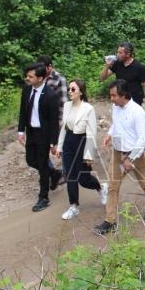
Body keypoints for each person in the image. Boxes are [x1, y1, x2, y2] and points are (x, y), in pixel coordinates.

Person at [95, 79, 145, 235]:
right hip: (117, 152)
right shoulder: (115, 107)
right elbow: (116, 124)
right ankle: (110, 221)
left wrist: (130, 158)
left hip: (134, 154)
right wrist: (109, 135)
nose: (111, 99)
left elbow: (142, 139)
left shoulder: (137, 112)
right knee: (112, 186)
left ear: (123, 95)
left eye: (113, 95)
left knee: (144, 182)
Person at [54, 79, 107, 220]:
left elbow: (91, 133)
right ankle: (74, 206)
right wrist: (59, 147)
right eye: (69, 89)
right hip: (68, 143)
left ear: (81, 92)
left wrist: (89, 155)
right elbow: (64, 129)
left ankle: (101, 188)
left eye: (73, 89)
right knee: (69, 176)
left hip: (82, 143)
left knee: (83, 178)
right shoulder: (66, 106)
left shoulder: (88, 108)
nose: (70, 92)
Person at [17, 63, 62, 212]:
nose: (27, 78)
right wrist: (20, 131)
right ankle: (54, 174)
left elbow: (54, 120)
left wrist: (53, 141)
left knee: (42, 165)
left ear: (41, 78)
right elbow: (23, 112)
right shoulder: (27, 90)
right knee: (31, 160)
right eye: (27, 76)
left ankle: (43, 197)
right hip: (31, 132)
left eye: (31, 76)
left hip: (44, 134)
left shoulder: (50, 95)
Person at [100, 42, 145, 117]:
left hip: (134, 102)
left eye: (120, 53)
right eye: (117, 52)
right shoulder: (117, 64)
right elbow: (102, 78)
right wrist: (107, 66)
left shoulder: (139, 67)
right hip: (119, 101)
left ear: (128, 54)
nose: (117, 54)